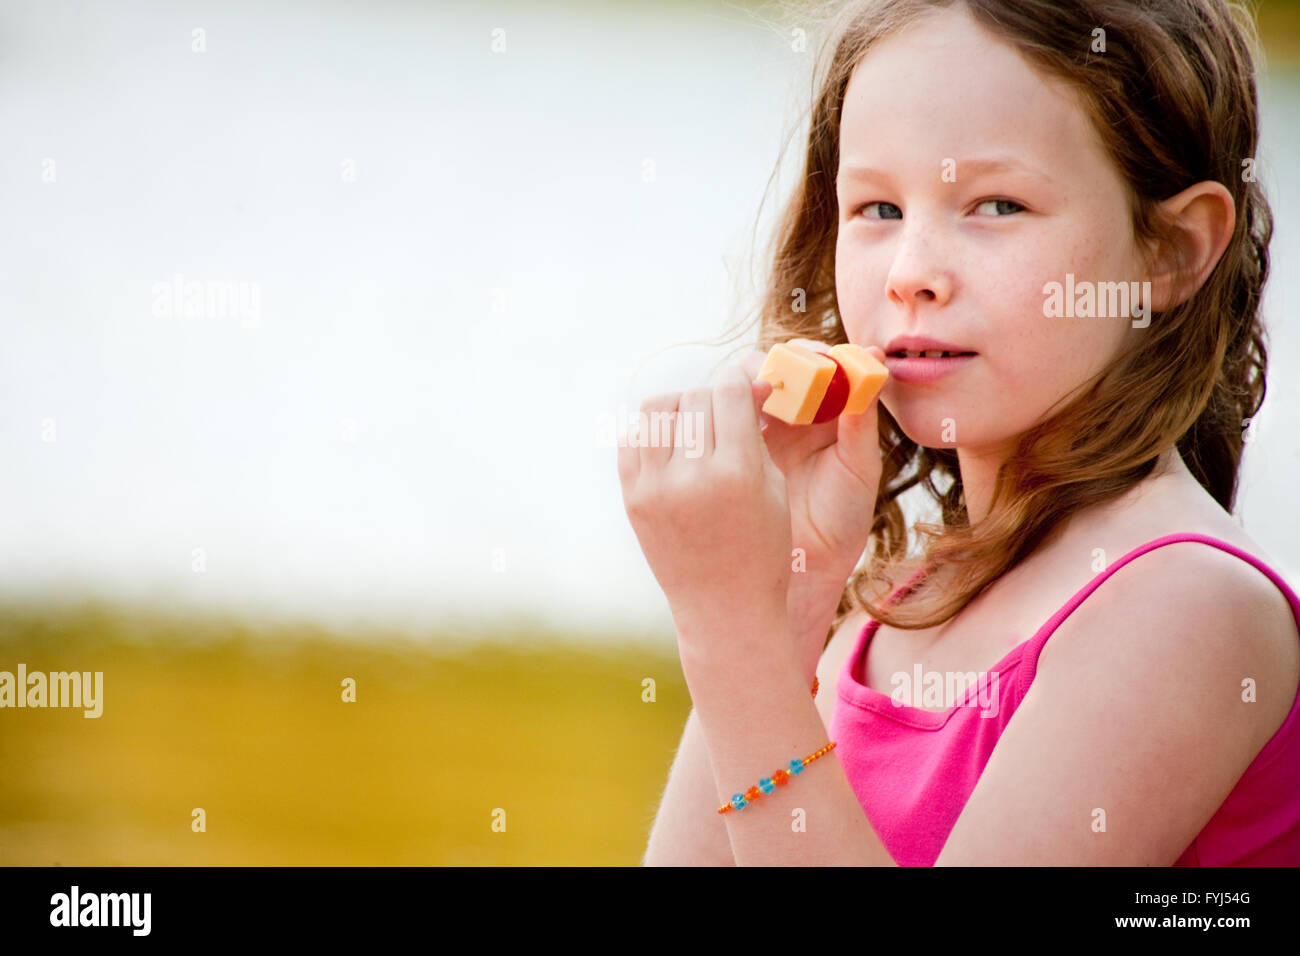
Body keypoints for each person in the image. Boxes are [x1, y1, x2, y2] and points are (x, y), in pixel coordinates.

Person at [619, 0, 1299, 865]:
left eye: (997, 205)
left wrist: (733, 638)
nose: (911, 275)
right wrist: (783, 605)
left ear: (1169, 250)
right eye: (877, 209)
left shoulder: (1189, 607)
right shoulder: (903, 600)